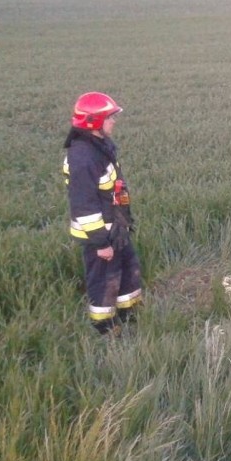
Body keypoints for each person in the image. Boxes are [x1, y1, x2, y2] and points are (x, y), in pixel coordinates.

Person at [63, 92, 142, 335]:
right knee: (104, 281)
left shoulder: (99, 146)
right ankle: (105, 328)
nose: (113, 121)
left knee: (128, 271)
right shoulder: (83, 157)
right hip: (101, 235)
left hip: (116, 229)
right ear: (93, 122)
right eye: (109, 117)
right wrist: (100, 243)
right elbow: (84, 207)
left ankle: (130, 316)